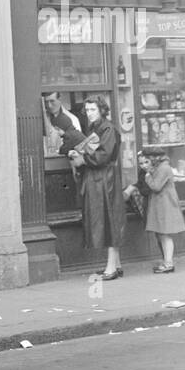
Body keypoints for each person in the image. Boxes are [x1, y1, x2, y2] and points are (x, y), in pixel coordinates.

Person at [68, 96, 124, 280]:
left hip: (105, 180)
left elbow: (103, 156)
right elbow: (89, 149)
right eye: (88, 110)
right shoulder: (97, 128)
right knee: (108, 221)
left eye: (93, 109)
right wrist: (77, 152)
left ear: (101, 110)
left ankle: (112, 268)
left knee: (109, 221)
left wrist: (82, 158)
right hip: (98, 179)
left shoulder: (107, 128)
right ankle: (115, 265)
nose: (90, 113)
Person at [140, 146, 185, 273]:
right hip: (161, 204)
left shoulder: (164, 168)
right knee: (162, 234)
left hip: (165, 204)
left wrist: (148, 176)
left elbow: (156, 186)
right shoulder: (161, 167)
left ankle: (168, 263)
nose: (144, 164)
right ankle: (167, 262)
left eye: (147, 160)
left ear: (154, 158)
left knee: (165, 235)